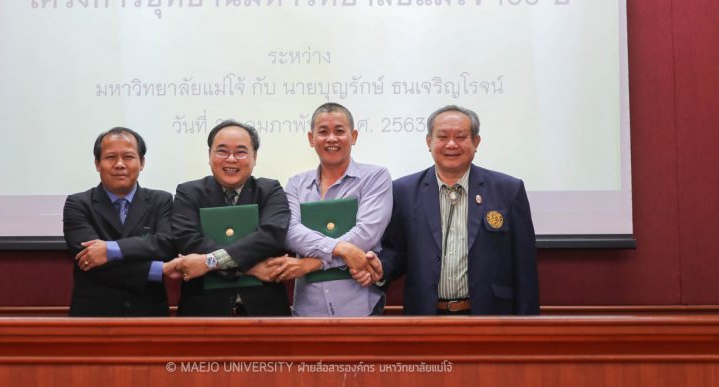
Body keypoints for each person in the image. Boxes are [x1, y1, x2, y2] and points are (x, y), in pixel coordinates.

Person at [374, 105, 539, 315]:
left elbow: (525, 267)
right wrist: (380, 269)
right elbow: (395, 252)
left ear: (476, 142)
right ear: (429, 142)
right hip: (425, 316)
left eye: (460, 137)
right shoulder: (403, 191)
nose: (451, 144)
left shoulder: (508, 190)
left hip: (491, 317)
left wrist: (528, 325)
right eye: (442, 137)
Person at [267, 103, 392, 316]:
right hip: (307, 309)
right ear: (311, 138)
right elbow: (290, 233)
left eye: (340, 131)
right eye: (323, 132)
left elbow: (367, 234)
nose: (331, 138)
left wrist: (313, 264)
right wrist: (343, 250)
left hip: (360, 308)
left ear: (353, 136)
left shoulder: (375, 177)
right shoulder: (296, 184)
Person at [166, 120, 291, 316]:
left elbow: (269, 236)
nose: (231, 159)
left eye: (241, 152)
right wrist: (250, 269)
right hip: (203, 311)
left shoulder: (270, 190)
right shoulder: (188, 192)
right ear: (209, 155)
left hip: (265, 311)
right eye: (222, 151)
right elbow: (188, 241)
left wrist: (208, 262)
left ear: (254, 157)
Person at [63, 127, 175, 317]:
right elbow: (91, 261)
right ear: (98, 164)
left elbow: (165, 245)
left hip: (149, 314)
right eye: (110, 157)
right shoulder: (78, 204)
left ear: (142, 163)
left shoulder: (161, 201)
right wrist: (157, 269)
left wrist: (110, 249)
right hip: (94, 317)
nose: (120, 164)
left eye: (129, 157)